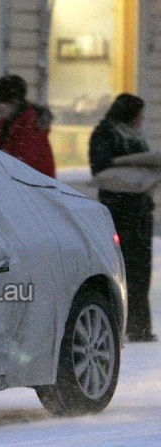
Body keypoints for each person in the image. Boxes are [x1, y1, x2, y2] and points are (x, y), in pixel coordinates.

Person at [89, 93, 156, 342]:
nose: (141, 119)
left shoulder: (132, 136)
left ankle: (139, 327)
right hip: (119, 212)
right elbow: (101, 169)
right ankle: (125, 324)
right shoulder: (106, 134)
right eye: (138, 114)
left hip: (139, 212)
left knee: (140, 271)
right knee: (123, 269)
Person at [0, 74, 56, 178]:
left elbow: (22, 167)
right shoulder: (6, 125)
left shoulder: (30, 126)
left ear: (14, 102)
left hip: (33, 189)